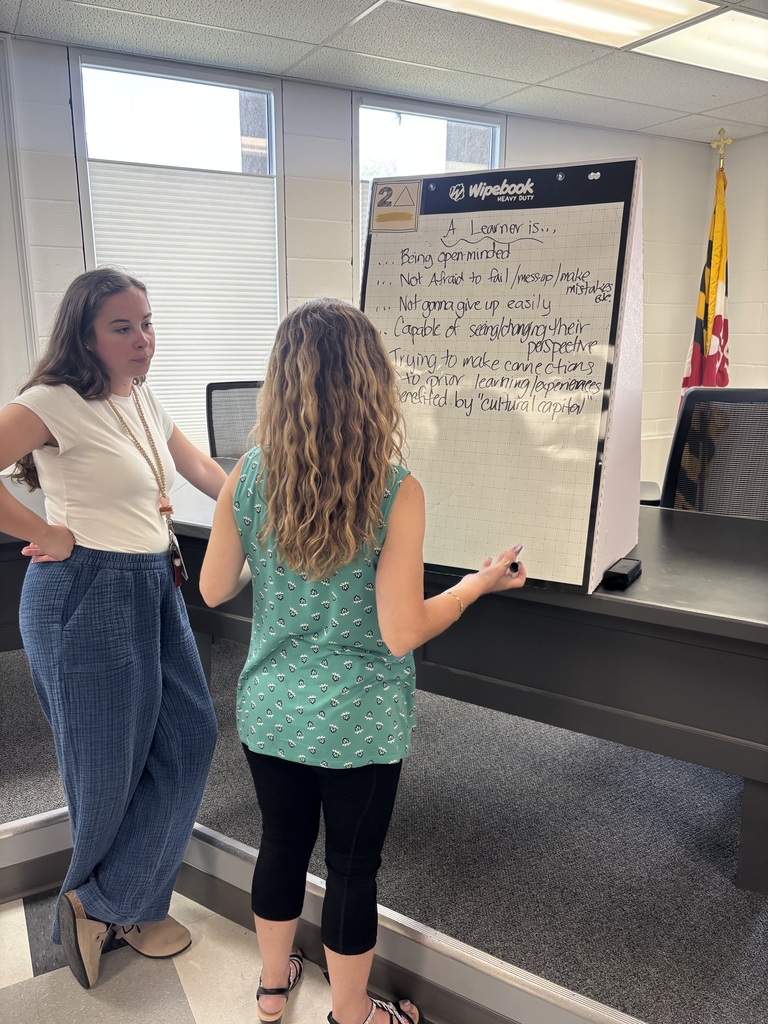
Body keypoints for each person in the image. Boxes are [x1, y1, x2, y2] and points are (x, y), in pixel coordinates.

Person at [199, 298, 526, 1024]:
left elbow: (215, 587)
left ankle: (271, 988)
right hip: (359, 718)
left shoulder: (248, 476)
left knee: (281, 845)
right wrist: (475, 585)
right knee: (351, 867)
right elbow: (403, 630)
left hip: (272, 710)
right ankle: (354, 1016)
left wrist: (273, 549)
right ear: (371, 381)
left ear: (279, 382)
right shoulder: (392, 488)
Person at [0, 267, 227, 990]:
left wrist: (273, 500)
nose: (142, 340)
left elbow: (202, 470)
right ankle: (114, 904)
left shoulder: (140, 396)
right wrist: (44, 531)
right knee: (107, 769)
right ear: (85, 335)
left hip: (152, 584)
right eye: (122, 327)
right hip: (85, 591)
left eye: (148, 323)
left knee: (190, 739)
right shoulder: (50, 401)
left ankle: (111, 901)